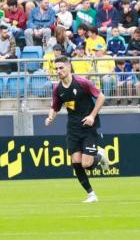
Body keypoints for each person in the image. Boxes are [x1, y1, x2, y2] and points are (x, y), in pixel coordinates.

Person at [45, 56, 110, 203]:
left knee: (86, 164)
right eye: (57, 69)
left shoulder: (82, 82)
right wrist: (50, 117)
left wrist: (92, 116)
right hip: (73, 128)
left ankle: (99, 154)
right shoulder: (58, 88)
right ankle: (91, 194)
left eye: (61, 68)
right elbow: (55, 106)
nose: (58, 71)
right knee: (76, 162)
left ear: (69, 67)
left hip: (88, 126)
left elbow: (101, 97)